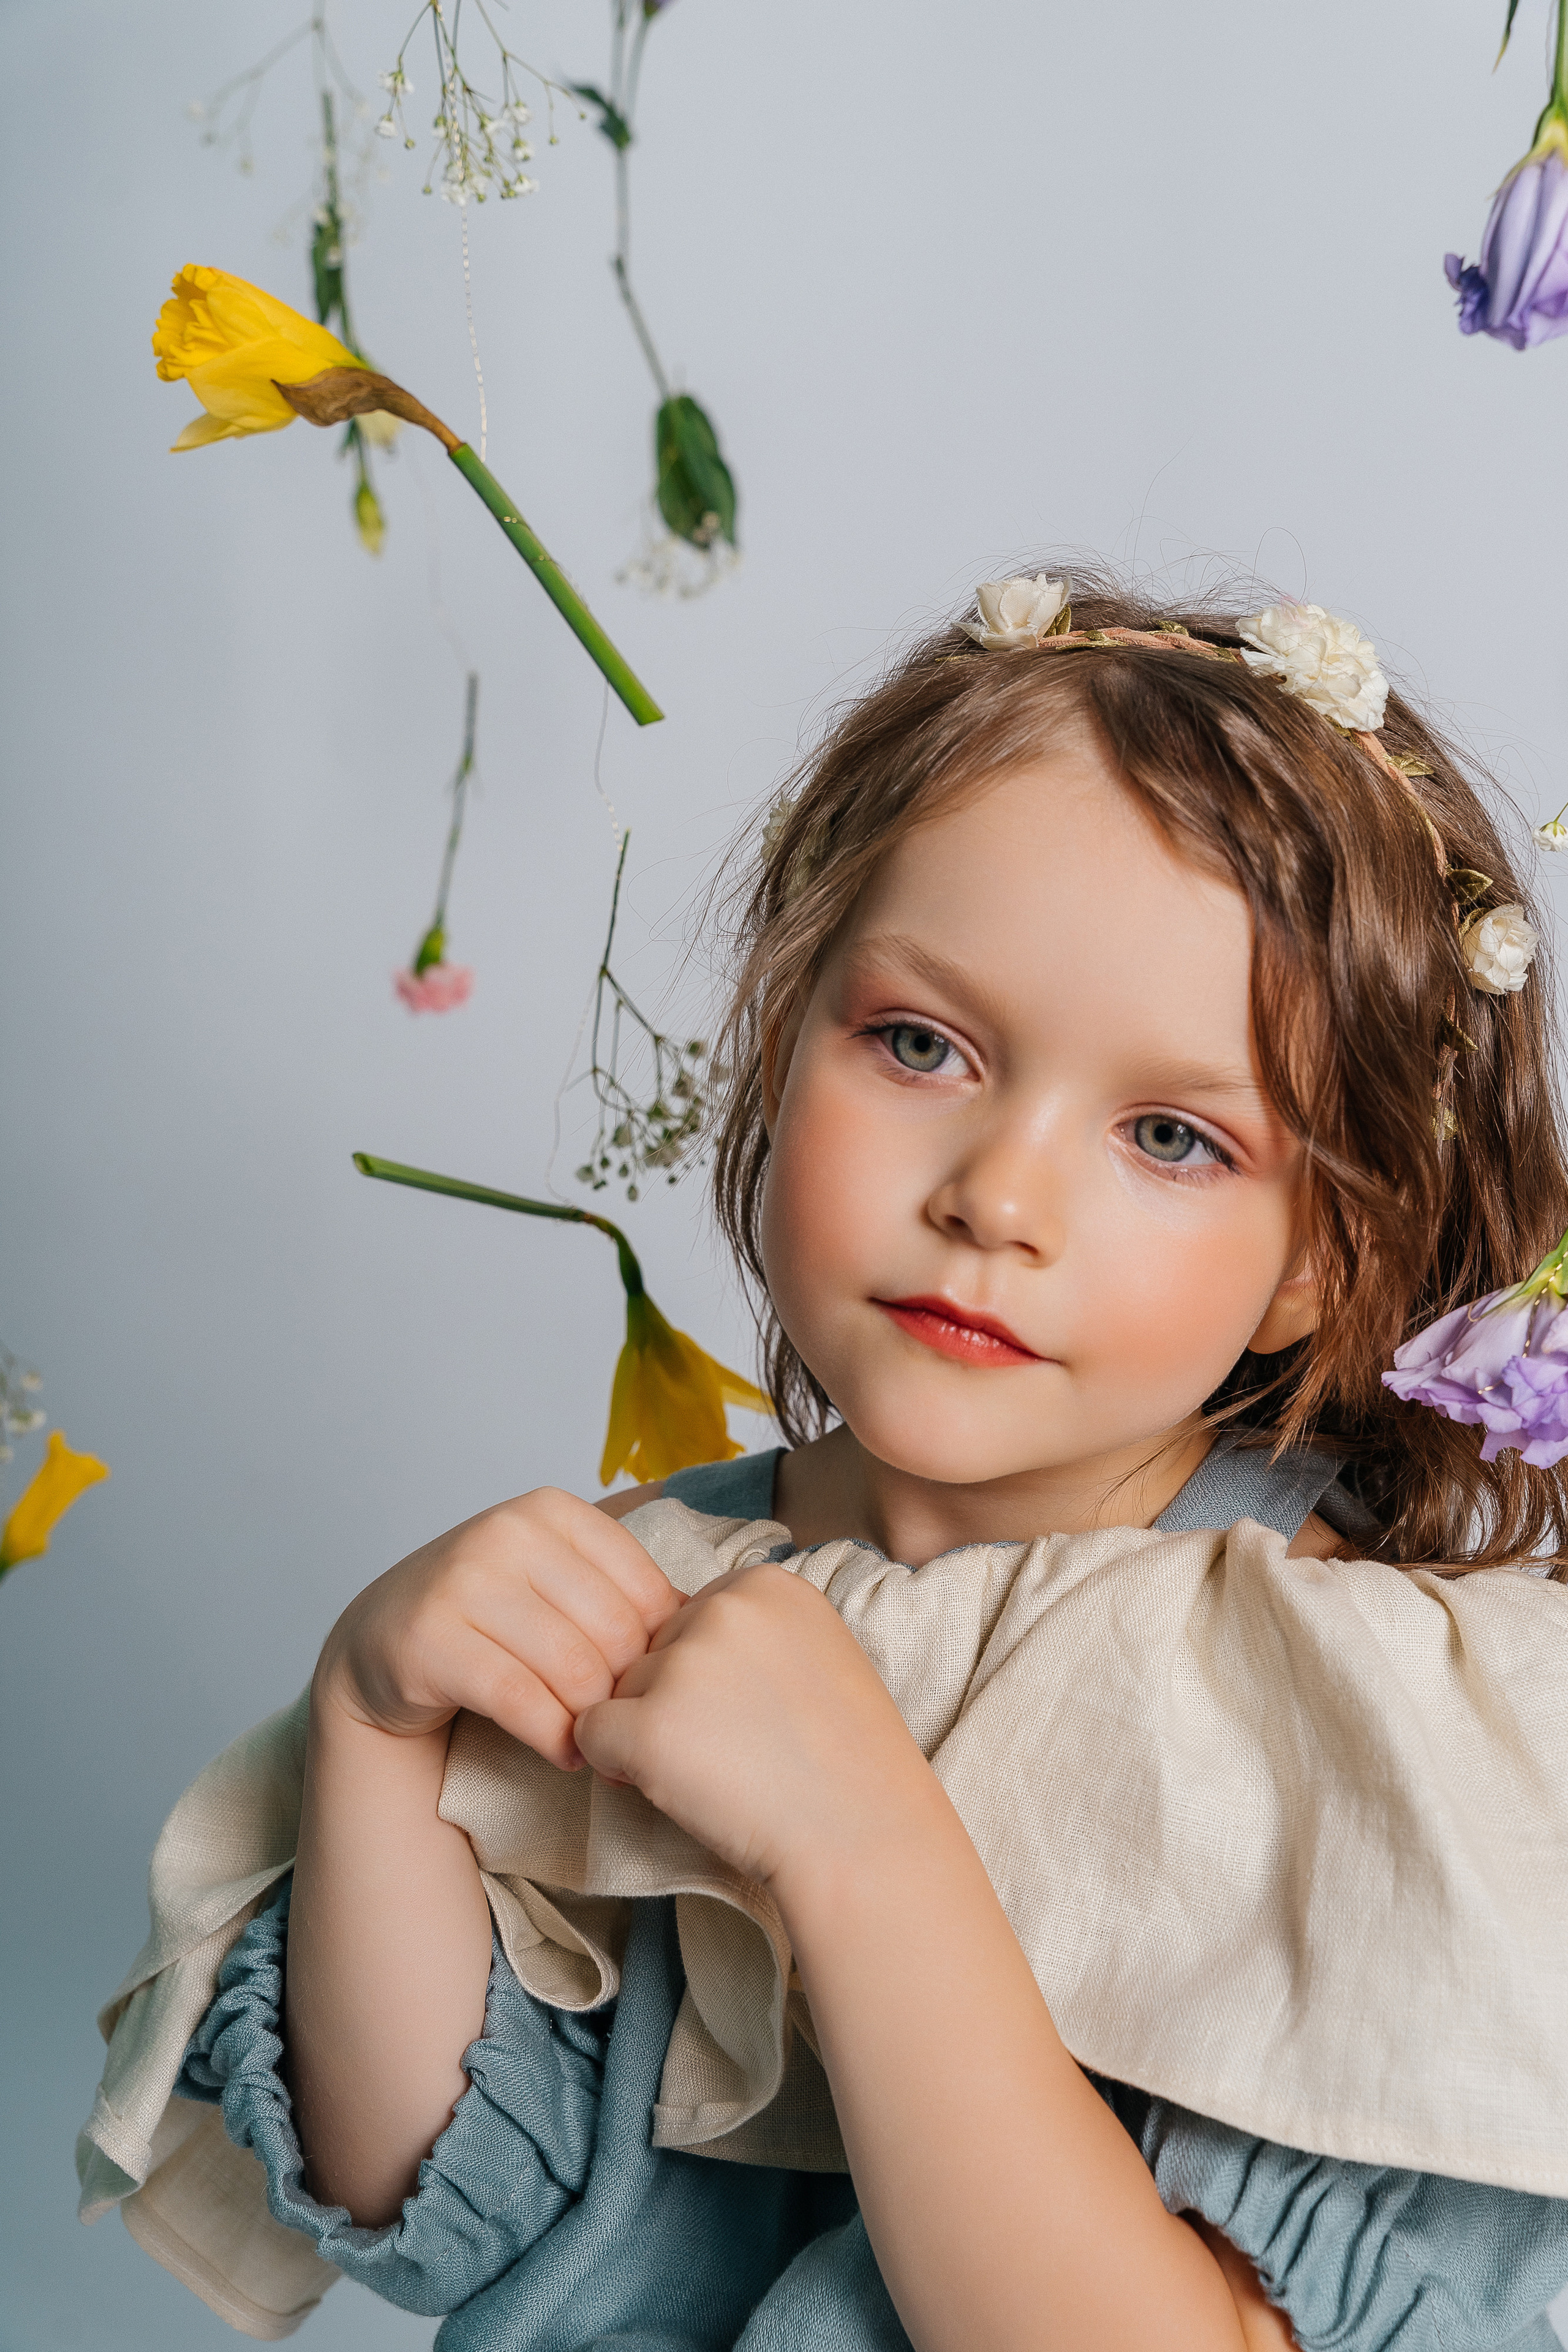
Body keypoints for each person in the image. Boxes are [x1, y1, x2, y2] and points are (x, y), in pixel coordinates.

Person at [95, 568, 1568, 2351]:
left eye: (1172, 1135)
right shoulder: (664, 1588)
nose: (996, 1198)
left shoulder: (1379, 1717)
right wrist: (373, 1739)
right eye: (920, 1044)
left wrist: (862, 1854)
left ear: (1328, 1256)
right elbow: (439, 2205)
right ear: (782, 1038)